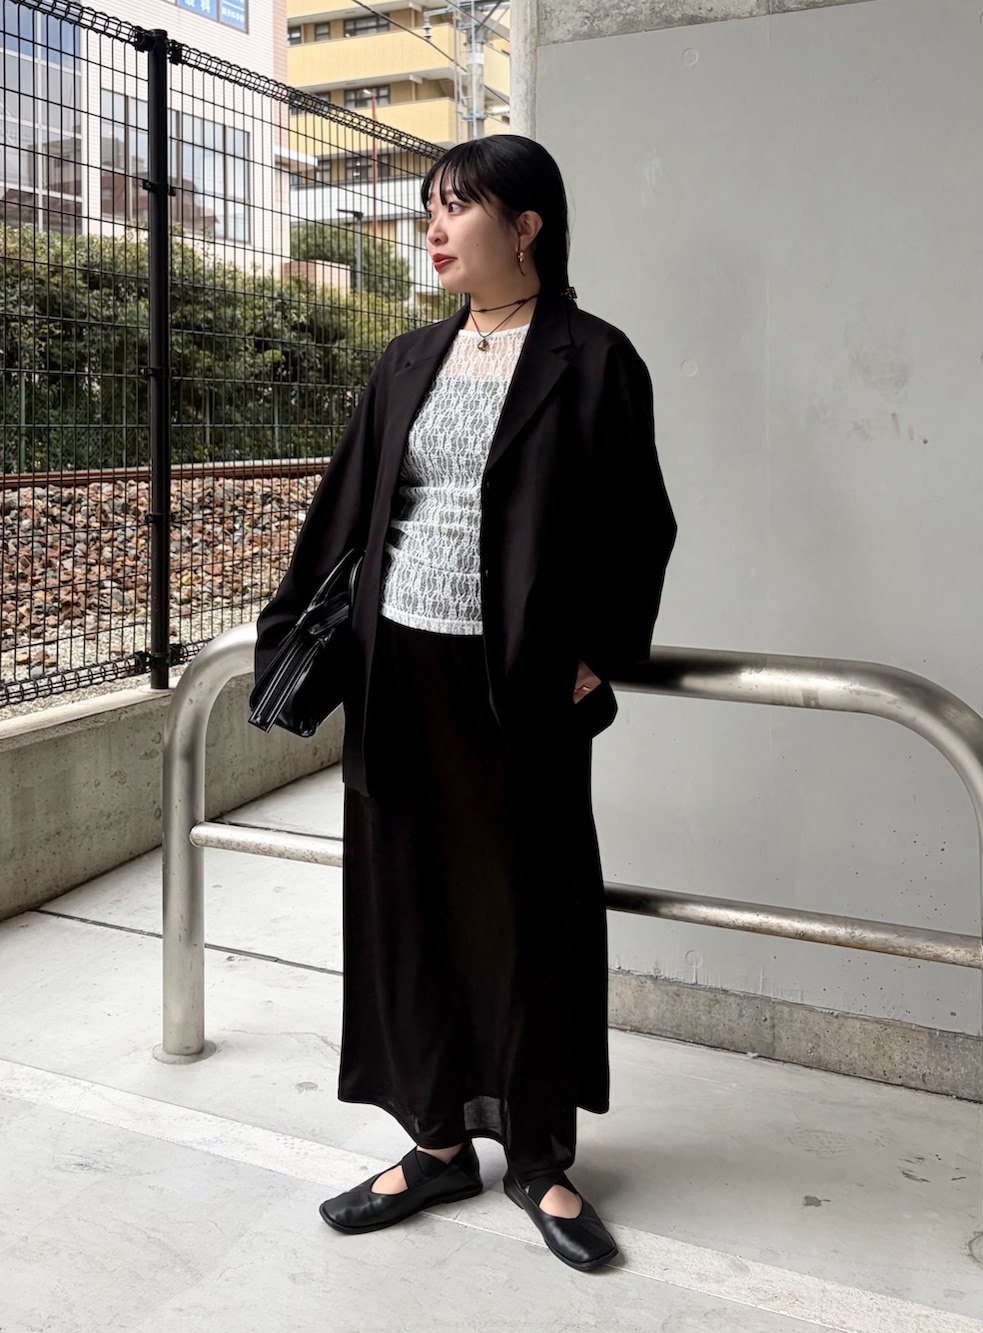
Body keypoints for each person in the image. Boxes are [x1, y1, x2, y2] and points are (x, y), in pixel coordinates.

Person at [255, 134, 676, 1272]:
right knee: (407, 906)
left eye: (457, 208)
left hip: (518, 682)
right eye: (429, 209)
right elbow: (347, 511)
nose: (433, 229)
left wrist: (599, 649)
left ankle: (539, 1156)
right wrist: (296, 639)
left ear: (526, 226)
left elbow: (640, 522)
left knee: (529, 910)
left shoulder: (594, 358)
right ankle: (435, 1140)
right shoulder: (407, 360)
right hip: (398, 673)